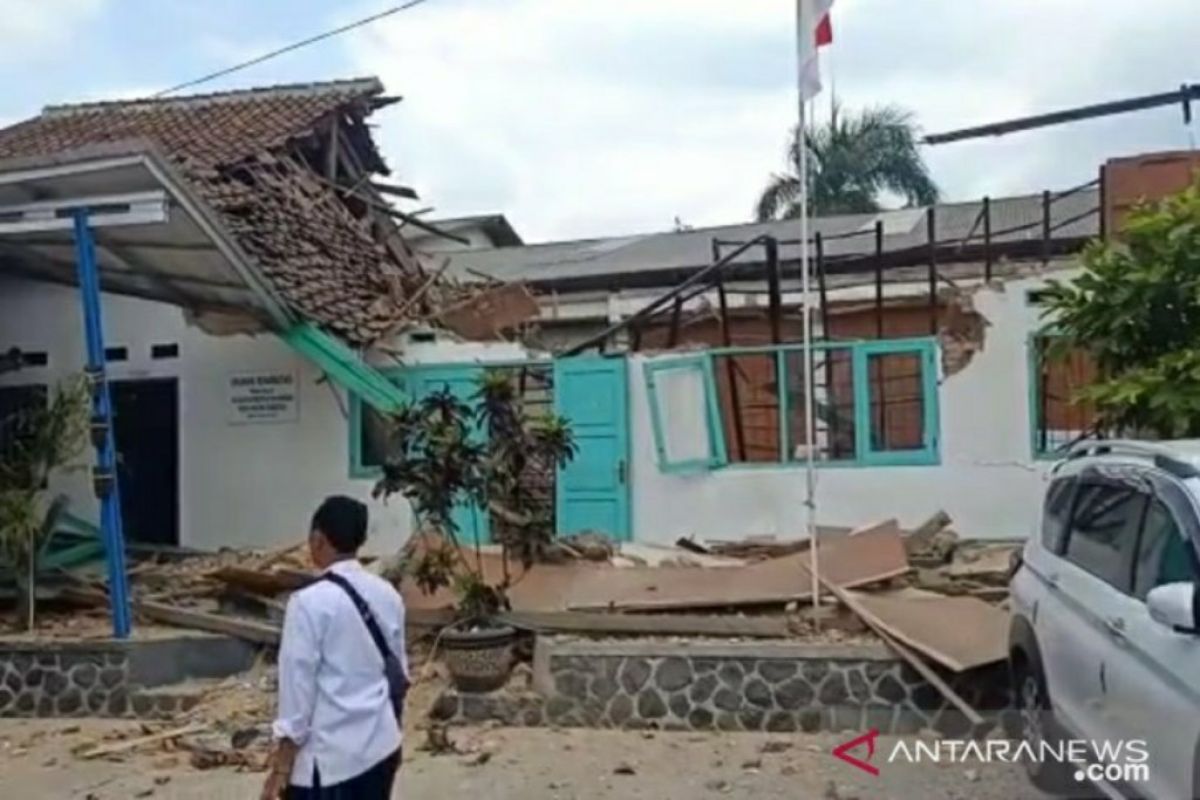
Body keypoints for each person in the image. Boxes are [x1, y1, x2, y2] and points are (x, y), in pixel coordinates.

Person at [261, 496, 409, 800]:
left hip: (329, 762)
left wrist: (280, 769)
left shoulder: (307, 603)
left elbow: (297, 692)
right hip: (379, 747)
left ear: (317, 540)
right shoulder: (387, 595)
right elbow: (399, 673)